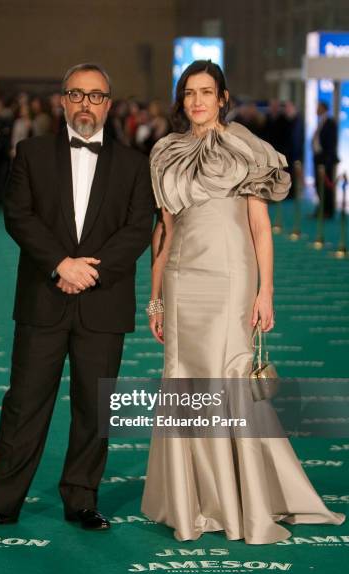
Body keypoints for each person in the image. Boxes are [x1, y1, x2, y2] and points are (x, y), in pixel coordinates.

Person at [141, 60, 345, 544]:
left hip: (232, 279)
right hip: (181, 280)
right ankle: (194, 503)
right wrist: (154, 299)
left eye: (206, 92)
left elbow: (259, 229)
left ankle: (243, 502)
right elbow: (164, 233)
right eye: (189, 92)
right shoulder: (166, 152)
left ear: (223, 97)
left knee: (229, 381)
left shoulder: (246, 148)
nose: (197, 102)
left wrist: (265, 290)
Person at [0, 63, 154, 531]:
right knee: (24, 403)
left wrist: (87, 273)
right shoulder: (32, 152)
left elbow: (137, 230)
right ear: (63, 100)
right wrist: (60, 264)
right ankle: (1, 502)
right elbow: (18, 215)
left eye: (96, 96)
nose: (86, 104)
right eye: (77, 94)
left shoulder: (133, 163)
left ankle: (82, 499)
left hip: (102, 301)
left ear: (109, 104)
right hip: (43, 297)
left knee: (94, 407)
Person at [312, 101, 339, 219]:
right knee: (318, 185)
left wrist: (327, 160)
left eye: (318, 107)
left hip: (326, 160)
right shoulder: (320, 122)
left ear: (323, 108)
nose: (316, 109)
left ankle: (328, 211)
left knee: (327, 186)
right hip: (318, 158)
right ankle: (321, 208)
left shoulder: (330, 123)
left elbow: (331, 143)